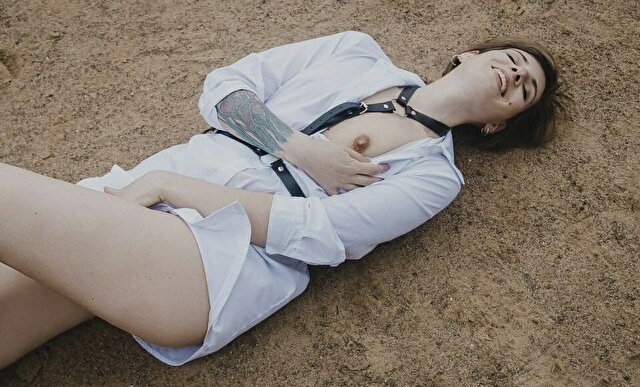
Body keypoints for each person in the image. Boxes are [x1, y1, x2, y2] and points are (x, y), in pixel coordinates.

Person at [0, 31, 565, 368]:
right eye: (513, 59)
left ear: (498, 124)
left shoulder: (435, 175)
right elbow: (226, 88)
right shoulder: (356, 51)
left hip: (219, 259)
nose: (515, 75)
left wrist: (170, 188)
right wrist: (300, 150)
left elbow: (320, 233)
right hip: (158, 183)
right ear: (469, 53)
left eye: (526, 89)